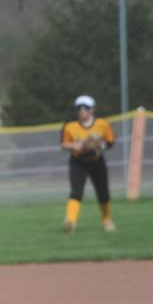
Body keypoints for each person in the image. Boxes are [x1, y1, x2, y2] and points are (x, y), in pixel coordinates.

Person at [60, 95, 116, 233]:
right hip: (78, 162)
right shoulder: (70, 126)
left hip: (97, 161)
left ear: (93, 109)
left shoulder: (102, 124)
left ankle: (107, 220)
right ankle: (70, 222)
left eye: (85, 108)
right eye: (79, 108)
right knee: (76, 191)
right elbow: (63, 144)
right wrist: (74, 146)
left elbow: (110, 141)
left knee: (103, 192)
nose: (82, 111)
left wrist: (98, 146)